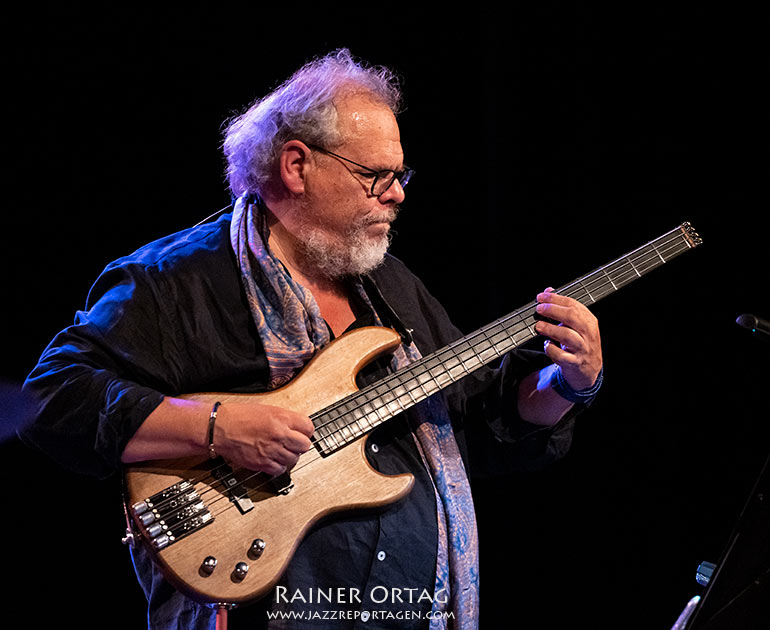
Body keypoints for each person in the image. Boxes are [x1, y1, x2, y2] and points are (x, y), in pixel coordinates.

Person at [20, 49, 603, 629]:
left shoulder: (392, 288)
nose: (397, 194)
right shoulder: (174, 279)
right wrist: (219, 427)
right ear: (296, 166)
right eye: (376, 176)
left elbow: (480, 420)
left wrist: (564, 383)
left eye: (400, 177)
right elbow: (53, 400)